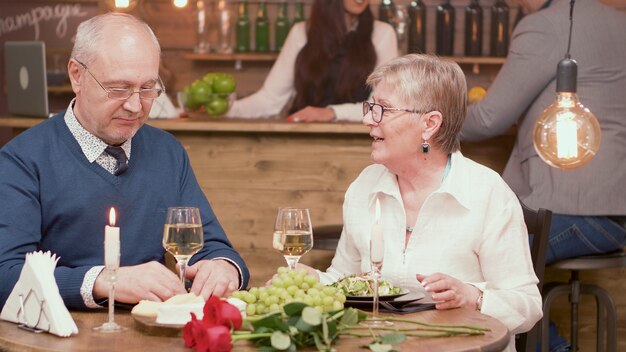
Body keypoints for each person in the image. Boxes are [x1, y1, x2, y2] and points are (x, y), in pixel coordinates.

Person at [0, 13, 249, 311]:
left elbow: (212, 245)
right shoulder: (22, 159)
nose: (135, 106)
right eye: (118, 88)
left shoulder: (168, 152)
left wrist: (225, 267)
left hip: (150, 333)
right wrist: (106, 281)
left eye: (148, 88)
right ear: (77, 76)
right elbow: (6, 275)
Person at [300, 54, 542, 352]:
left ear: (429, 124)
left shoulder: (486, 193)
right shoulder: (365, 186)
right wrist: (312, 281)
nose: (367, 119)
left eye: (383, 109)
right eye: (370, 107)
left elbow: (528, 306)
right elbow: (344, 281)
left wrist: (474, 297)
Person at [461, 1, 626, 350]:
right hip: (615, 214)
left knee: (471, 260)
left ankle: (554, 348)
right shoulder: (618, 20)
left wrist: (428, 116)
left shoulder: (546, 26)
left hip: (572, 210)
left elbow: (490, 118)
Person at [226, 0, 398, 122]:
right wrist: (225, 109)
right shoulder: (301, 32)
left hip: (354, 145)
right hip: (301, 141)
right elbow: (269, 100)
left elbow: (382, 107)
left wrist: (332, 113)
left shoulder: (383, 34)